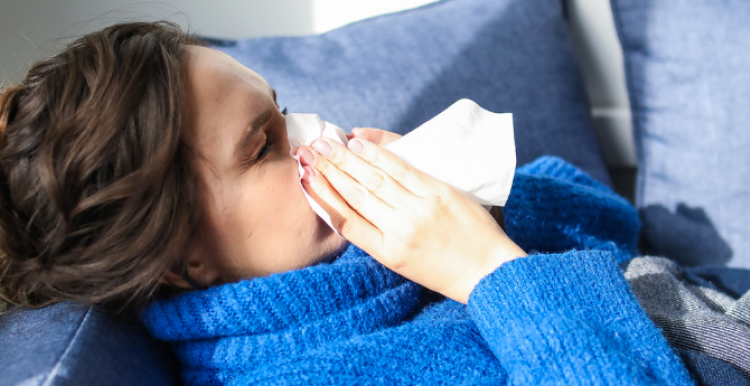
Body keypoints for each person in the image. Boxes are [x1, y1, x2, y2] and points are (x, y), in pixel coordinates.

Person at [0, 21, 700, 385]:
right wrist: (487, 275)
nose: (315, 136)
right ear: (182, 260)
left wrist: (482, 202)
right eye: (264, 145)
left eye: (285, 110)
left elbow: (617, 226)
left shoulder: (370, 258)